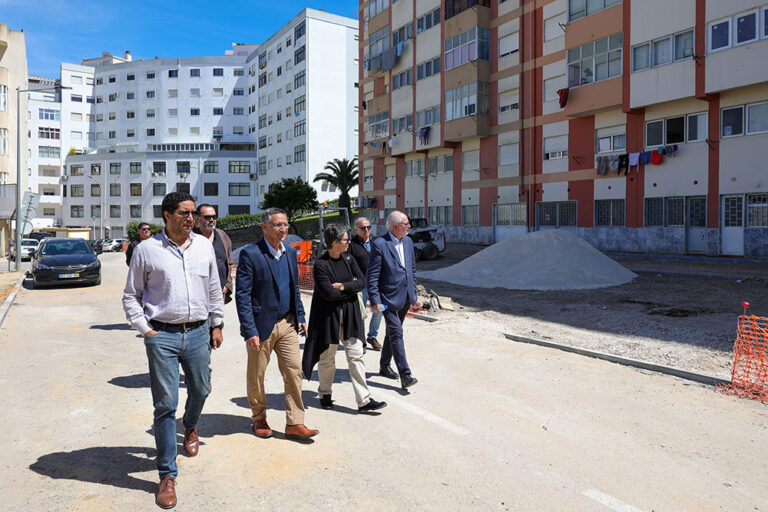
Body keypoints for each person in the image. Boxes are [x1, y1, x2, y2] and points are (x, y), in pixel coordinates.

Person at [122, 192, 224, 510]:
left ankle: (190, 425)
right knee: (165, 405)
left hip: (197, 333)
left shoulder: (204, 246)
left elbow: (213, 289)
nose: (190, 218)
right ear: (167, 215)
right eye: (183, 212)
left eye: (193, 213)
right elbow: (131, 296)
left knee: (202, 389)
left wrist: (217, 323)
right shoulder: (147, 250)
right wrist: (147, 331)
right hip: (162, 336)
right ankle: (167, 475)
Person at [235, 207, 319, 441]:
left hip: (288, 323)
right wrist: (249, 330)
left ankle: (295, 423)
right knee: (257, 375)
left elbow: (294, 289)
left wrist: (300, 316)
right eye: (277, 225)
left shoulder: (290, 253)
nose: (283, 229)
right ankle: (259, 417)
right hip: (261, 326)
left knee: (294, 372)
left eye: (285, 225)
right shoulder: (251, 254)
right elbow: (242, 296)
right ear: (264, 227)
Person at [302, 224, 387, 413]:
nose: (349, 242)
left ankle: (364, 400)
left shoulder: (349, 258)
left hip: (351, 316)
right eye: (345, 240)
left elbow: (362, 281)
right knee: (327, 358)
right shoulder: (321, 264)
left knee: (356, 356)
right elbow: (327, 294)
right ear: (334, 243)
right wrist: (351, 287)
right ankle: (325, 393)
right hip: (328, 318)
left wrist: (342, 287)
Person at [367, 211, 418, 390]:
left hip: (405, 297)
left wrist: (414, 292)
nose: (409, 226)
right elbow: (372, 276)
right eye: (406, 223)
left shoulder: (409, 242)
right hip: (387, 298)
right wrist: (375, 300)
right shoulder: (380, 244)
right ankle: (405, 374)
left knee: (392, 333)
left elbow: (411, 268)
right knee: (396, 333)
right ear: (396, 226)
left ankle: (384, 365)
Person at [348, 217, 383, 351]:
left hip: (377, 284)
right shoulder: (351, 244)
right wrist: (352, 278)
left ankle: (372, 336)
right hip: (361, 285)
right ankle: (361, 340)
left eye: (368, 227)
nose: (366, 230)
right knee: (361, 314)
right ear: (356, 229)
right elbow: (347, 262)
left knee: (379, 311)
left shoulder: (377, 242)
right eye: (363, 228)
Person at [193, 204, 235, 304]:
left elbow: (229, 263)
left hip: (219, 293)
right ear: (198, 219)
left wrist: (227, 286)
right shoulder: (190, 237)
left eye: (214, 217)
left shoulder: (222, 236)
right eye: (207, 217)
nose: (211, 220)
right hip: (197, 295)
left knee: (217, 319)